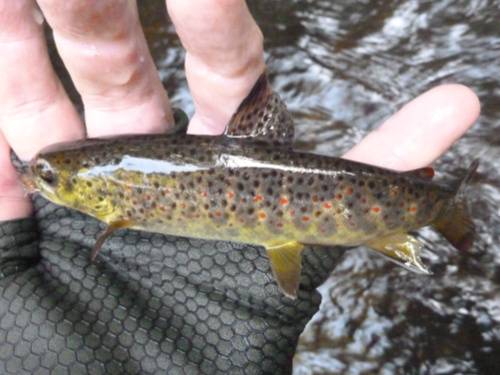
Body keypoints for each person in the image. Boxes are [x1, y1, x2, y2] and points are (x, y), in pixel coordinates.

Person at [0, 0, 480, 374]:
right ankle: (440, 209)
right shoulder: (112, 200)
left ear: (111, 205)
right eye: (48, 176)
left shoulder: (114, 214)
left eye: (49, 179)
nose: (37, 178)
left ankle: (441, 209)